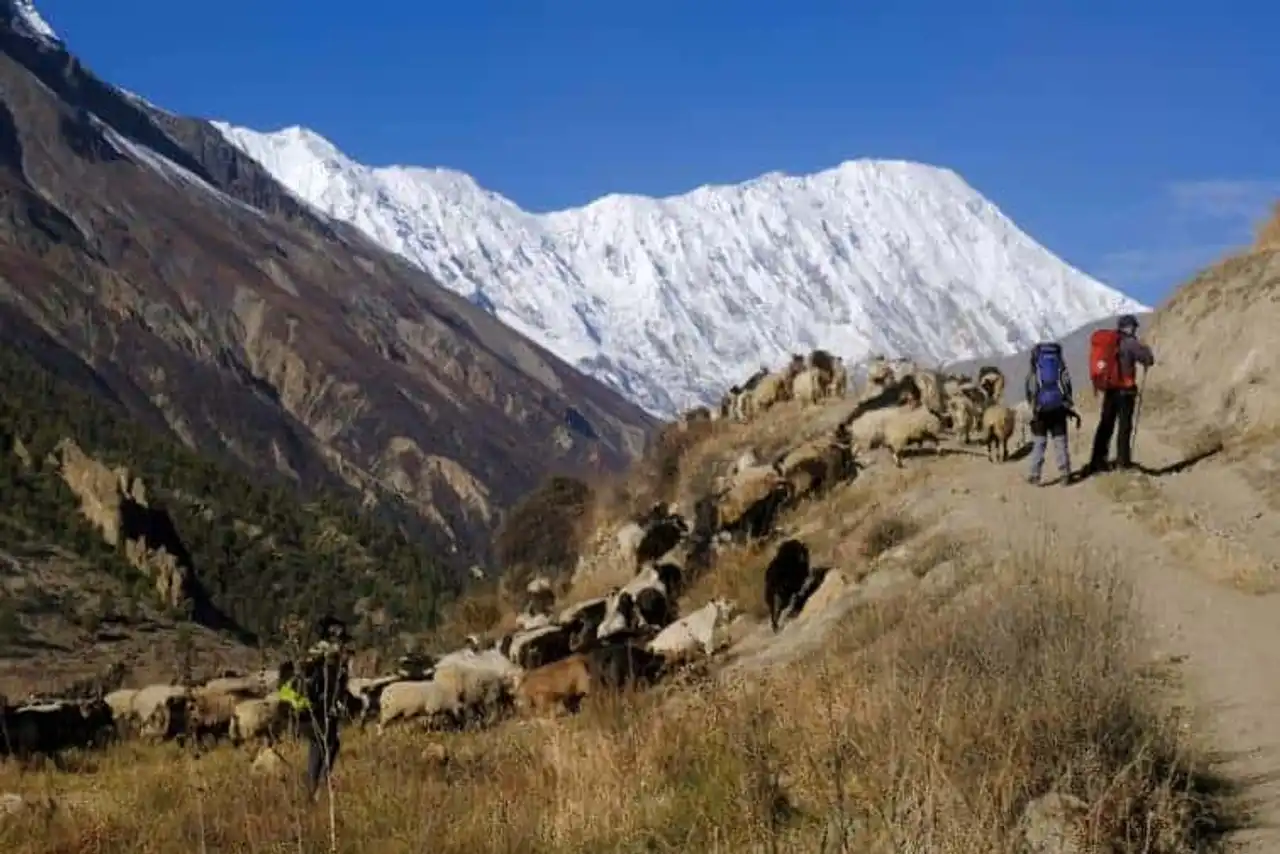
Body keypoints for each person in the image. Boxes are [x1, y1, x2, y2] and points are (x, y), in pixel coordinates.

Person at [278, 615, 351, 801]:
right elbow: (332, 687)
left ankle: (311, 790)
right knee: (329, 744)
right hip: (318, 711)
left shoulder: (312, 653)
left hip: (302, 711)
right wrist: (335, 705)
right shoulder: (332, 658)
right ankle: (319, 789)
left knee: (317, 744)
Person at [1085, 314, 1155, 475]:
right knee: (1124, 427)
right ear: (1129, 327)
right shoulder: (1130, 343)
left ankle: (1097, 461)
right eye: (1134, 326)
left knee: (1105, 425)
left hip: (1110, 390)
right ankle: (1123, 462)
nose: (1136, 329)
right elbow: (1148, 359)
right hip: (1126, 391)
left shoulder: (1111, 343)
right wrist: (1146, 349)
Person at [1024, 341, 1078, 486]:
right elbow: (1066, 383)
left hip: (1041, 410)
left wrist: (1033, 405)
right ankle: (1065, 474)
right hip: (1058, 409)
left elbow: (1030, 386)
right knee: (1060, 443)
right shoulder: (1059, 363)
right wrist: (1067, 402)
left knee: (1039, 443)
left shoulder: (1035, 365)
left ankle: (1035, 475)